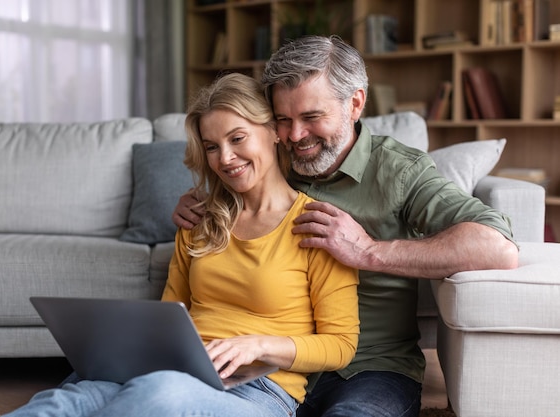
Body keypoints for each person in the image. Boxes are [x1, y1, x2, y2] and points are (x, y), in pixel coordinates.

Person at [172, 36, 519, 417]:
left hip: (368, 368)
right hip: (276, 375)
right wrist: (206, 199)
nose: (296, 136)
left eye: (311, 117)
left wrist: (368, 251)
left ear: (355, 103)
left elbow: (496, 247)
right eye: (284, 120)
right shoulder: (276, 157)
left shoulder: (398, 171)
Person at [2, 72, 360, 417]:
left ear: (273, 133)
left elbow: (340, 346)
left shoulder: (319, 225)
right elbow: (170, 314)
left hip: (260, 389)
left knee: (156, 397)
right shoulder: (200, 220)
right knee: (66, 400)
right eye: (211, 147)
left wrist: (258, 344)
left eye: (238, 139)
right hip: (172, 370)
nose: (226, 158)